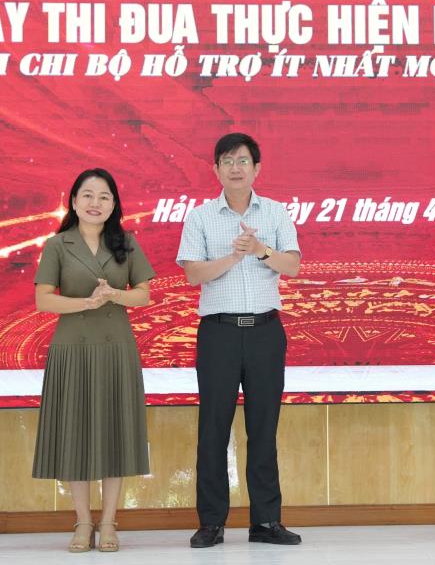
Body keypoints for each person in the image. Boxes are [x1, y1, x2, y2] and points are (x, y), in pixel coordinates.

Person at [177, 133, 303, 548]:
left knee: (264, 429)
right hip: (219, 333)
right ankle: (211, 523)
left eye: (243, 160)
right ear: (215, 169)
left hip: (266, 332)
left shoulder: (276, 212)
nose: (236, 167)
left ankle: (266, 521)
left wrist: (261, 249)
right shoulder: (200, 217)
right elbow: (193, 274)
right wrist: (234, 256)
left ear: (257, 168)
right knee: (213, 428)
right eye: (228, 161)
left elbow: (292, 266)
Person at [31, 169, 156, 553]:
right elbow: (43, 300)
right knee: (75, 433)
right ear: (73, 201)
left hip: (116, 348)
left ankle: (109, 523)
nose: (95, 203)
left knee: (115, 434)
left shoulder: (126, 243)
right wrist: (86, 302)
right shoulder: (57, 244)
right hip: (72, 348)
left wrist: (114, 295)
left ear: (114, 204)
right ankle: (83, 522)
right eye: (87, 195)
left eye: (104, 196)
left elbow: (143, 295)